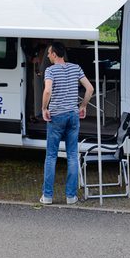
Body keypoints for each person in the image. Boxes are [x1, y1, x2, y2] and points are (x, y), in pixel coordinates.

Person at [40, 41, 94, 205]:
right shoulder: (76, 68)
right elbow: (90, 88)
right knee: (72, 155)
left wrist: (44, 108)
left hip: (56, 116)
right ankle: (71, 196)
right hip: (72, 115)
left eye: (49, 53)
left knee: (51, 156)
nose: (48, 56)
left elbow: (48, 90)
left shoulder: (50, 70)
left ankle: (47, 196)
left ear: (55, 54)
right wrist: (83, 106)